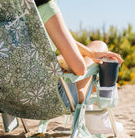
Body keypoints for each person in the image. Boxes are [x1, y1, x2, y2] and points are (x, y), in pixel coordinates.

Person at [34, 0, 123, 134]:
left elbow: (54, 36)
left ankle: (94, 117)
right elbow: (79, 69)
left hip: (10, 99)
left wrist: (90, 54)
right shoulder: (44, 6)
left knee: (92, 52)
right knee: (99, 46)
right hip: (50, 98)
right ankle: (94, 117)